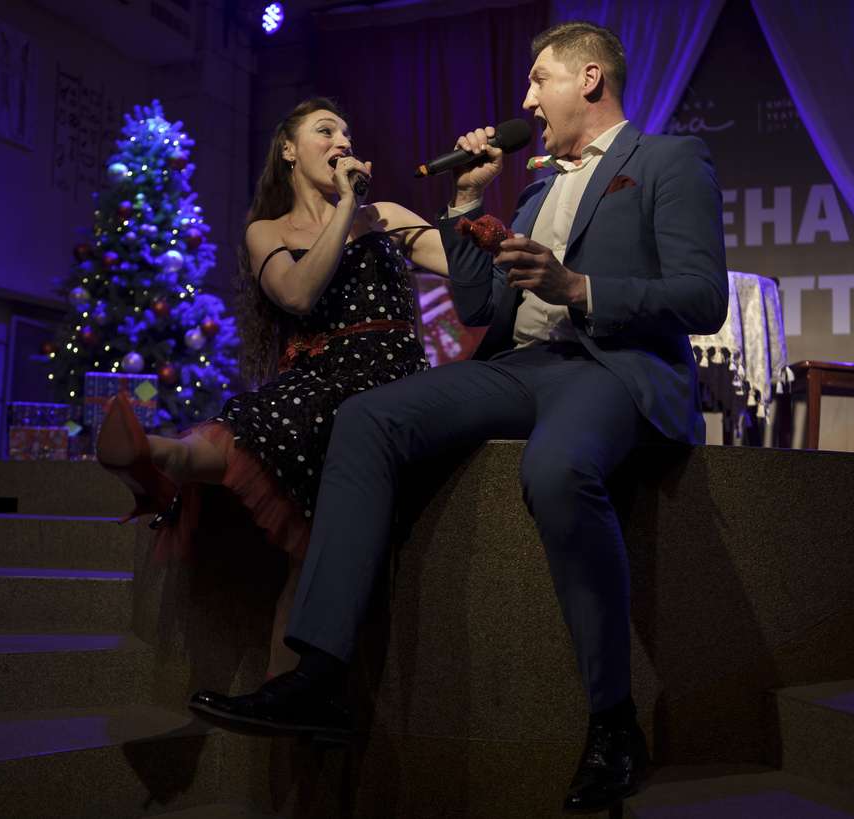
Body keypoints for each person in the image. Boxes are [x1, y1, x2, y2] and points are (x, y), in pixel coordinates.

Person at [187, 22, 729, 813]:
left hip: (610, 366)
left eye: (538, 80)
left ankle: (615, 724)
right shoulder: (538, 185)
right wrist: (469, 200)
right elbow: (479, 305)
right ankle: (320, 674)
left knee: (555, 467)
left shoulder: (670, 161)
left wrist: (580, 288)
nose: (524, 100)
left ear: (587, 78)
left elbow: (702, 297)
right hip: (520, 367)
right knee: (366, 418)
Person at [95, 97, 448, 679]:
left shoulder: (384, 213)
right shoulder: (269, 231)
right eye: (325, 130)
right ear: (288, 148)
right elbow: (298, 294)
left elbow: (463, 265)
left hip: (389, 377)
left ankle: (162, 458)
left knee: (305, 544)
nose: (342, 141)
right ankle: (160, 452)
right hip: (317, 383)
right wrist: (345, 210)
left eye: (347, 132)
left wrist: (467, 201)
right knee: (295, 519)